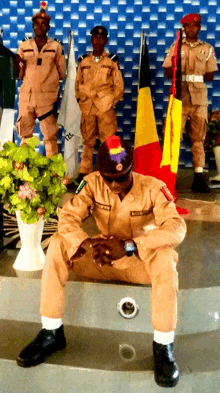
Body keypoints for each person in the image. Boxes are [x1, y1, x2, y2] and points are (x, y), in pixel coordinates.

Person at [16, 135, 186, 388]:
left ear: (131, 170)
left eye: (121, 178)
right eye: (109, 179)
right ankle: (51, 332)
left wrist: (129, 246)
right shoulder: (91, 183)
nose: (115, 185)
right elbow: (68, 218)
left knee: (164, 256)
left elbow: (176, 228)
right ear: (100, 173)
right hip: (99, 259)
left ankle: (163, 347)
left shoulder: (153, 187)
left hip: (136, 263)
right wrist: (87, 243)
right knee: (57, 243)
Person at [163, 13, 218, 192]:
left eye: (194, 26)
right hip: (180, 97)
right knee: (173, 139)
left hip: (199, 100)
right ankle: (171, 177)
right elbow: (166, 71)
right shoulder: (176, 47)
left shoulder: (207, 49)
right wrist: (176, 70)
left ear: (199, 27)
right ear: (184, 28)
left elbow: (210, 75)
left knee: (198, 139)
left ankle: (198, 177)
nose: (190, 29)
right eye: (187, 26)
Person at [14, 2, 66, 157]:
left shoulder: (56, 47)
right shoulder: (24, 46)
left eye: (44, 24)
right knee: (25, 138)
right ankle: (24, 174)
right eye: (36, 24)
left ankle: (52, 175)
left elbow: (62, 73)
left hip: (47, 99)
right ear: (32, 26)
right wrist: (16, 64)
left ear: (48, 27)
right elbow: (19, 74)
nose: (40, 27)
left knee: (50, 137)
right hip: (27, 98)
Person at [75, 26, 124, 183]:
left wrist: (109, 103)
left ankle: (114, 170)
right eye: (95, 38)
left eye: (101, 38)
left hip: (105, 108)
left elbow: (119, 86)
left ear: (106, 40)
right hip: (88, 107)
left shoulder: (111, 61)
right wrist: (81, 100)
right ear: (91, 39)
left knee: (111, 141)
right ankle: (84, 172)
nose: (98, 41)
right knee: (87, 141)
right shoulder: (84, 61)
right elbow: (77, 85)